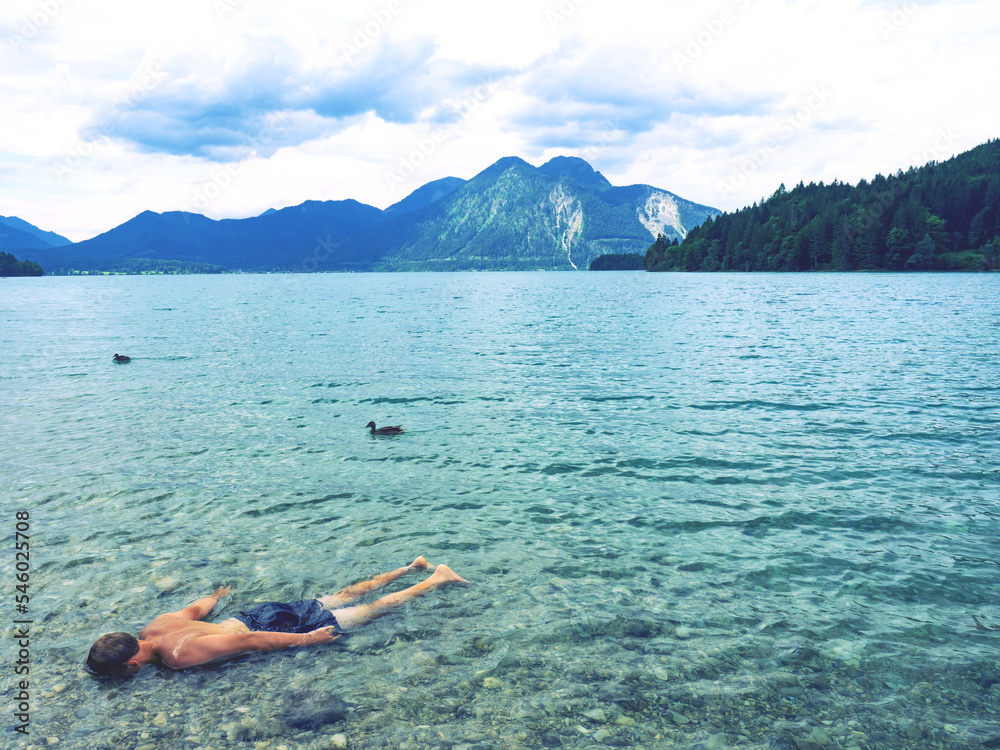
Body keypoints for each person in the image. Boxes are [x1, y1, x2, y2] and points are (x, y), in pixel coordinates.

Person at [85, 557, 468, 675]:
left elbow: (247, 642)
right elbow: (194, 610)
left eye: (122, 669)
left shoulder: (177, 656)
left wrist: (309, 640)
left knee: (366, 612)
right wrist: (217, 595)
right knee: (340, 596)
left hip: (265, 627)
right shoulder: (154, 626)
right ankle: (411, 566)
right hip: (253, 612)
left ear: (132, 660)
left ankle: (436, 578)